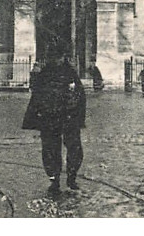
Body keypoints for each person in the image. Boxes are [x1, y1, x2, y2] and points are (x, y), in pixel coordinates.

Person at [22, 46, 87, 198]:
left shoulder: (69, 73)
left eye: (57, 57)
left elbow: (79, 94)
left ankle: (71, 177)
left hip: (67, 117)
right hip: (51, 118)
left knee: (73, 148)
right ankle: (55, 179)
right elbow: (36, 94)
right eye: (53, 57)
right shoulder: (45, 73)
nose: (56, 60)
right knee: (51, 150)